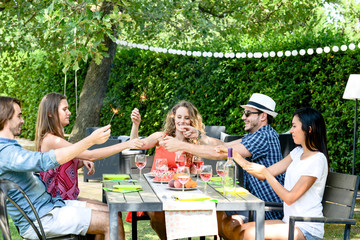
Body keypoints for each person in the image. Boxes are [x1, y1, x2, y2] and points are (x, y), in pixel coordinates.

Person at [160, 93, 285, 237]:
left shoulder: (264, 136)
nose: (243, 117)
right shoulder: (255, 136)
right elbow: (223, 145)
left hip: (269, 209)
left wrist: (181, 145)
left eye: (247, 113)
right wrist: (198, 135)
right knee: (215, 215)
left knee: (221, 220)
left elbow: (223, 153)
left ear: (263, 116)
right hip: (255, 204)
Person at [0, 96, 123, 239]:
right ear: (5, 117)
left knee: (112, 214)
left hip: (49, 208)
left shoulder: (9, 149)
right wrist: (90, 141)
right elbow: (44, 161)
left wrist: (81, 159)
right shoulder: (6, 152)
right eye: (19, 116)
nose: (22, 121)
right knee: (112, 222)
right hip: (42, 218)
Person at [235, 107, 329, 240]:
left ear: (309, 129)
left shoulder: (317, 160)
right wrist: (232, 155)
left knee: (248, 234)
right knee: (238, 230)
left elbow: (289, 198)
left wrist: (266, 173)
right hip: (289, 222)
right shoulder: (297, 152)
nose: (291, 130)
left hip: (306, 228)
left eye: (294, 126)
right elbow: (262, 174)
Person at [35, 92, 143, 202]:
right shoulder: (52, 140)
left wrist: (81, 161)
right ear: (50, 113)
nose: (69, 112)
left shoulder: (57, 139)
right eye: (64, 109)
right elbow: (90, 155)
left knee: (112, 211)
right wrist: (127, 144)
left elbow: (60, 168)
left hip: (68, 200)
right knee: (112, 214)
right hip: (58, 204)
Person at [129, 100, 205, 240]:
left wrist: (196, 163)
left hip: (180, 195)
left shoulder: (193, 145)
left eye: (187, 118)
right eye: (179, 117)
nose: (182, 121)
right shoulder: (161, 137)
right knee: (158, 213)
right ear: (173, 118)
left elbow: (196, 174)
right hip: (155, 193)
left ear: (192, 121)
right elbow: (136, 144)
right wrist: (136, 124)